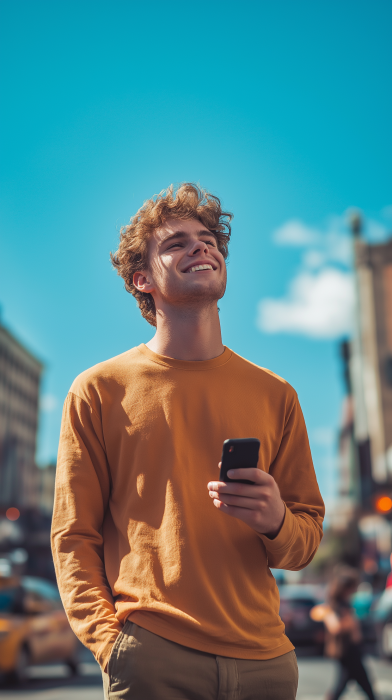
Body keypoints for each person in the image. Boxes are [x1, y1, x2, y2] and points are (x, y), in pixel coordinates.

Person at [51, 183, 325, 700]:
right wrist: (112, 645)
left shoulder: (276, 394)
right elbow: (73, 536)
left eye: (208, 239)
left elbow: (305, 539)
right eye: (176, 243)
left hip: (268, 665)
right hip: (153, 658)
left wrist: (275, 522)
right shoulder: (98, 390)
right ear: (142, 280)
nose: (201, 247)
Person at [311, 566, 377, 700]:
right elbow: (335, 627)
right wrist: (351, 623)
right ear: (345, 588)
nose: (355, 590)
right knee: (363, 682)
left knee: (345, 682)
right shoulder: (335, 605)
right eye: (353, 587)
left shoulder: (346, 603)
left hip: (352, 648)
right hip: (346, 650)